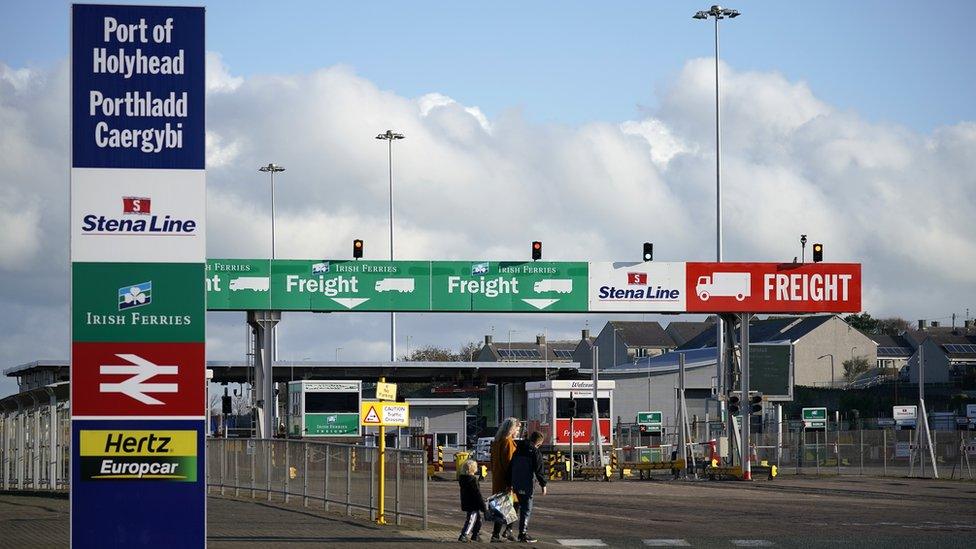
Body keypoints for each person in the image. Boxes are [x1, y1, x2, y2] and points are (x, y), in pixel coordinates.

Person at [509, 431, 548, 543]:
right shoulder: (535, 452)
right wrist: (543, 484)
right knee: (526, 509)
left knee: (515, 507)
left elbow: (511, 466)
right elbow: (539, 470)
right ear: (539, 444)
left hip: (515, 483)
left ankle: (508, 529)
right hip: (527, 484)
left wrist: (509, 481)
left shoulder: (518, 449)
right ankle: (523, 533)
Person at [490, 417, 520, 542]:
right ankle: (500, 533)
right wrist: (512, 481)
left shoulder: (497, 441)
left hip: (497, 478)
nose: (518, 432)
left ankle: (506, 531)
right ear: (512, 429)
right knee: (511, 506)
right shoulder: (508, 442)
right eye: (517, 429)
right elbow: (509, 463)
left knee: (503, 507)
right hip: (506, 480)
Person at [458, 459, 487, 542]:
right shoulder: (472, 480)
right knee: (472, 519)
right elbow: (477, 494)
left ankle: (475, 534)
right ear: (472, 469)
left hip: (467, 502)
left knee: (478, 519)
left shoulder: (463, 479)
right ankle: (464, 535)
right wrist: (483, 506)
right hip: (473, 503)